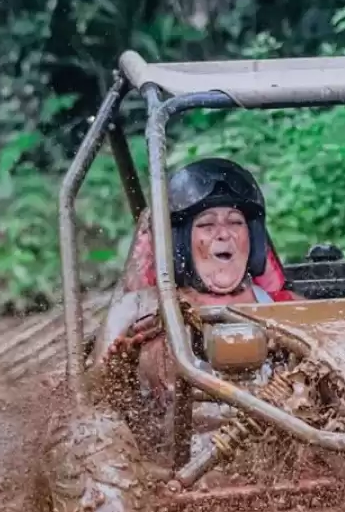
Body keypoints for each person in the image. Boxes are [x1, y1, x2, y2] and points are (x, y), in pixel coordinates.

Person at [96, 158, 295, 398]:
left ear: (251, 236)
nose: (224, 234)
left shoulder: (283, 307)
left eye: (235, 222)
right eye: (207, 225)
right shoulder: (136, 309)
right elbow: (88, 398)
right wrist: (121, 366)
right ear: (181, 245)